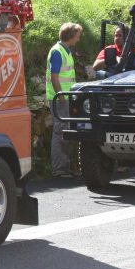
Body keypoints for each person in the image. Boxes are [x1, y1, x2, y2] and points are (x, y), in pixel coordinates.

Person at [46, 22, 82, 178]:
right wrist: (60, 97)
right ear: (70, 36)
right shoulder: (57, 52)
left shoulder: (65, 51)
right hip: (60, 99)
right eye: (77, 36)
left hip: (66, 97)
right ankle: (59, 170)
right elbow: (54, 77)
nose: (78, 39)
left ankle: (65, 168)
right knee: (60, 132)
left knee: (66, 132)